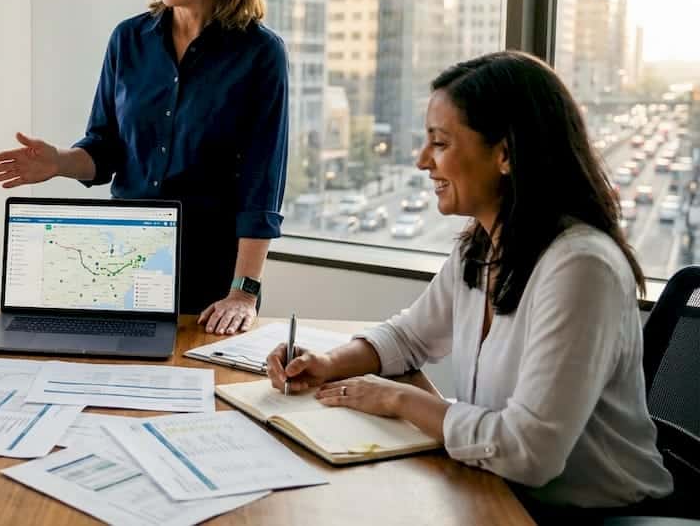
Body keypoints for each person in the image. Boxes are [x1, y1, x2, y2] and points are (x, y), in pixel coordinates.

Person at [266, 52, 673, 519]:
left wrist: (397, 398)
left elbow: (529, 451)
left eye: (439, 143)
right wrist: (327, 363)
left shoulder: (581, 269)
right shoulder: (480, 246)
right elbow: (408, 337)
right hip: (495, 489)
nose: (422, 161)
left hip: (589, 515)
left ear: (505, 154)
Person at [0, 0, 289, 333]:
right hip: (119, 262)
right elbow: (104, 149)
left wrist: (244, 292)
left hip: (210, 279)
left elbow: (261, 185)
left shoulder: (260, 54)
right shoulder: (127, 40)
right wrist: (60, 162)